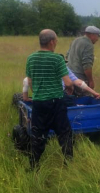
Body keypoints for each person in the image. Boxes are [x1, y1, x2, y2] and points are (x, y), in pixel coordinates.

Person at [25, 29, 74, 168]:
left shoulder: (31, 58)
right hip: (55, 103)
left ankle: (34, 166)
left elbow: (29, 82)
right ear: (52, 42)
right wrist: (70, 88)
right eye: (56, 41)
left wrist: (37, 93)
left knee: (38, 135)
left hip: (38, 103)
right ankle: (68, 164)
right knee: (64, 133)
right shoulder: (57, 58)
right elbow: (68, 82)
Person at [22, 68, 100, 102]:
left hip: (40, 98)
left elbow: (26, 81)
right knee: (70, 101)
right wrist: (94, 93)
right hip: (58, 96)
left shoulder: (39, 68)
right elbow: (80, 83)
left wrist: (26, 98)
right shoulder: (64, 68)